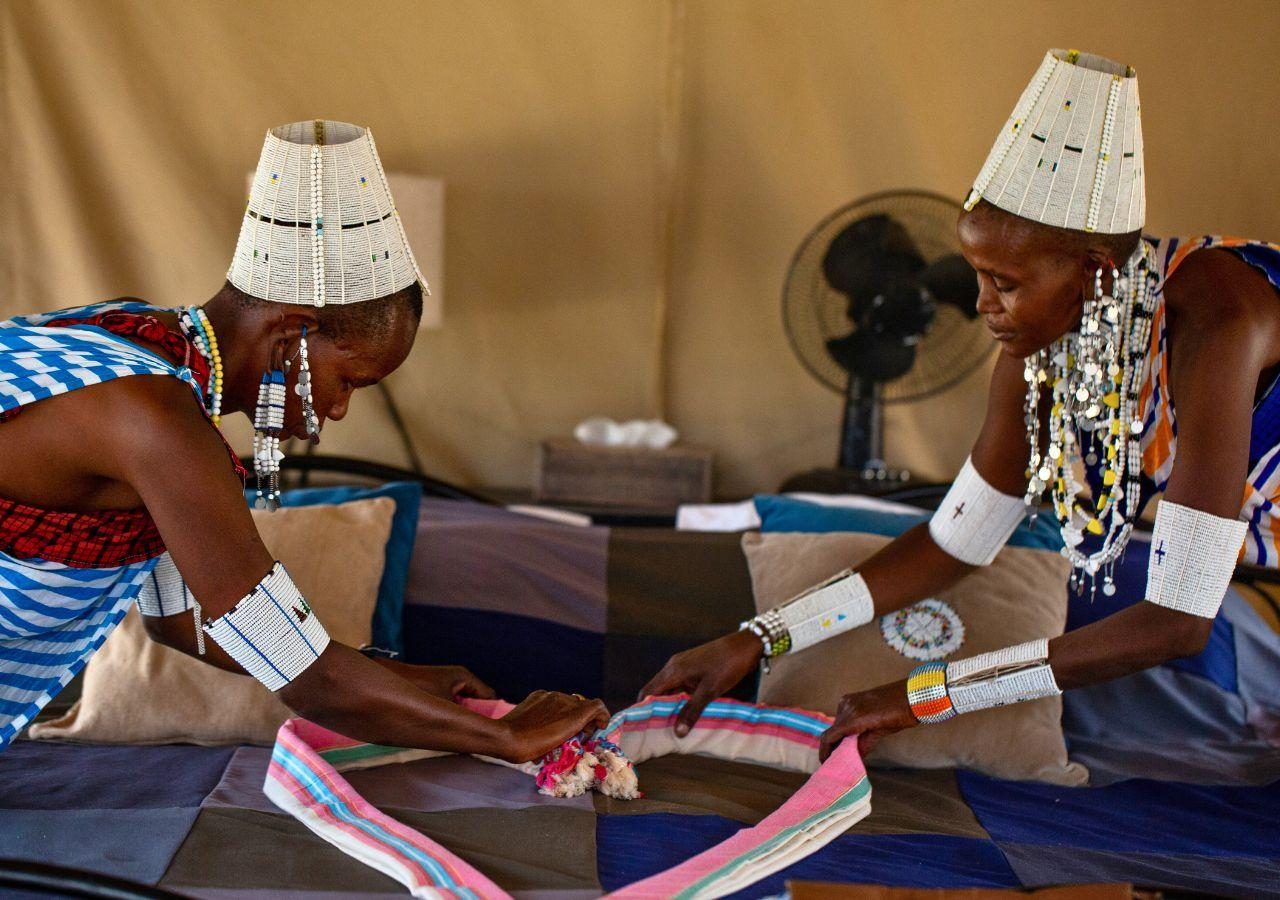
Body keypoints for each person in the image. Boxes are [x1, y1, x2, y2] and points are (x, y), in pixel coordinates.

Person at [642, 50, 1280, 761]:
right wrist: (756, 637)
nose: (982, 307)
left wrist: (924, 694)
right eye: (975, 274)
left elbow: (1177, 621)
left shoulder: (1220, 322)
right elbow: (954, 544)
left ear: (1096, 271)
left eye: (1003, 282)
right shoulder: (1040, 355)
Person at [0, 119, 608, 758]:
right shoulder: (155, 419)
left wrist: (398, 678)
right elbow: (308, 683)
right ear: (293, 332)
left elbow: (183, 624)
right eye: (350, 380)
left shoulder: (143, 357)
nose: (341, 410)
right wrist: (504, 736)